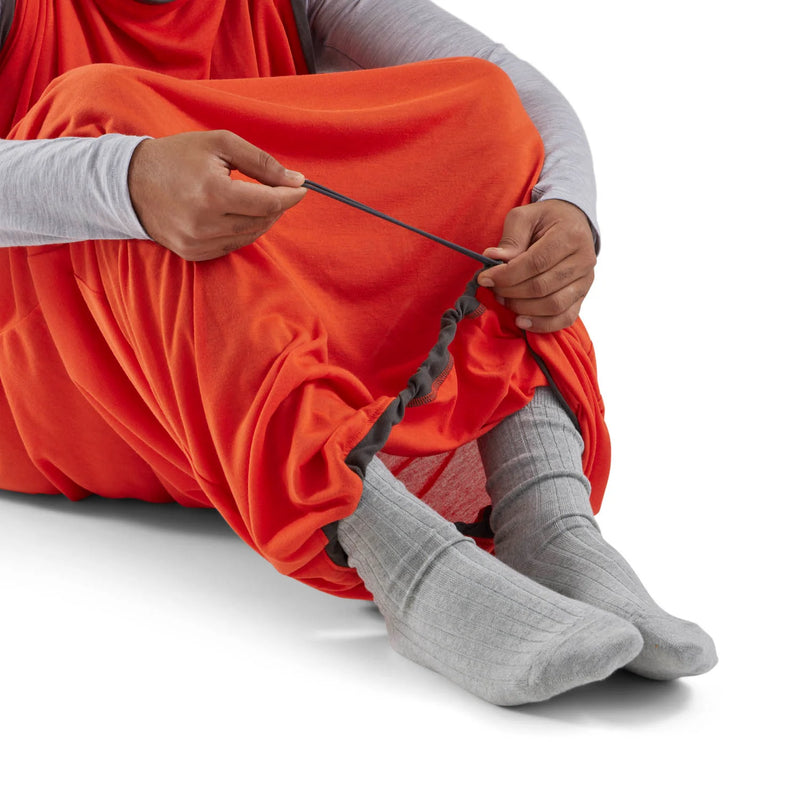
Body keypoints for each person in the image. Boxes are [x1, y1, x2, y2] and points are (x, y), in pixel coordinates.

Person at [0, 0, 716, 705]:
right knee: (103, 114)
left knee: (485, 108)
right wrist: (125, 180)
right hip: (58, 391)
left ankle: (547, 522)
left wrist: (571, 210)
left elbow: (518, 91)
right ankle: (412, 569)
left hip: (242, 411)